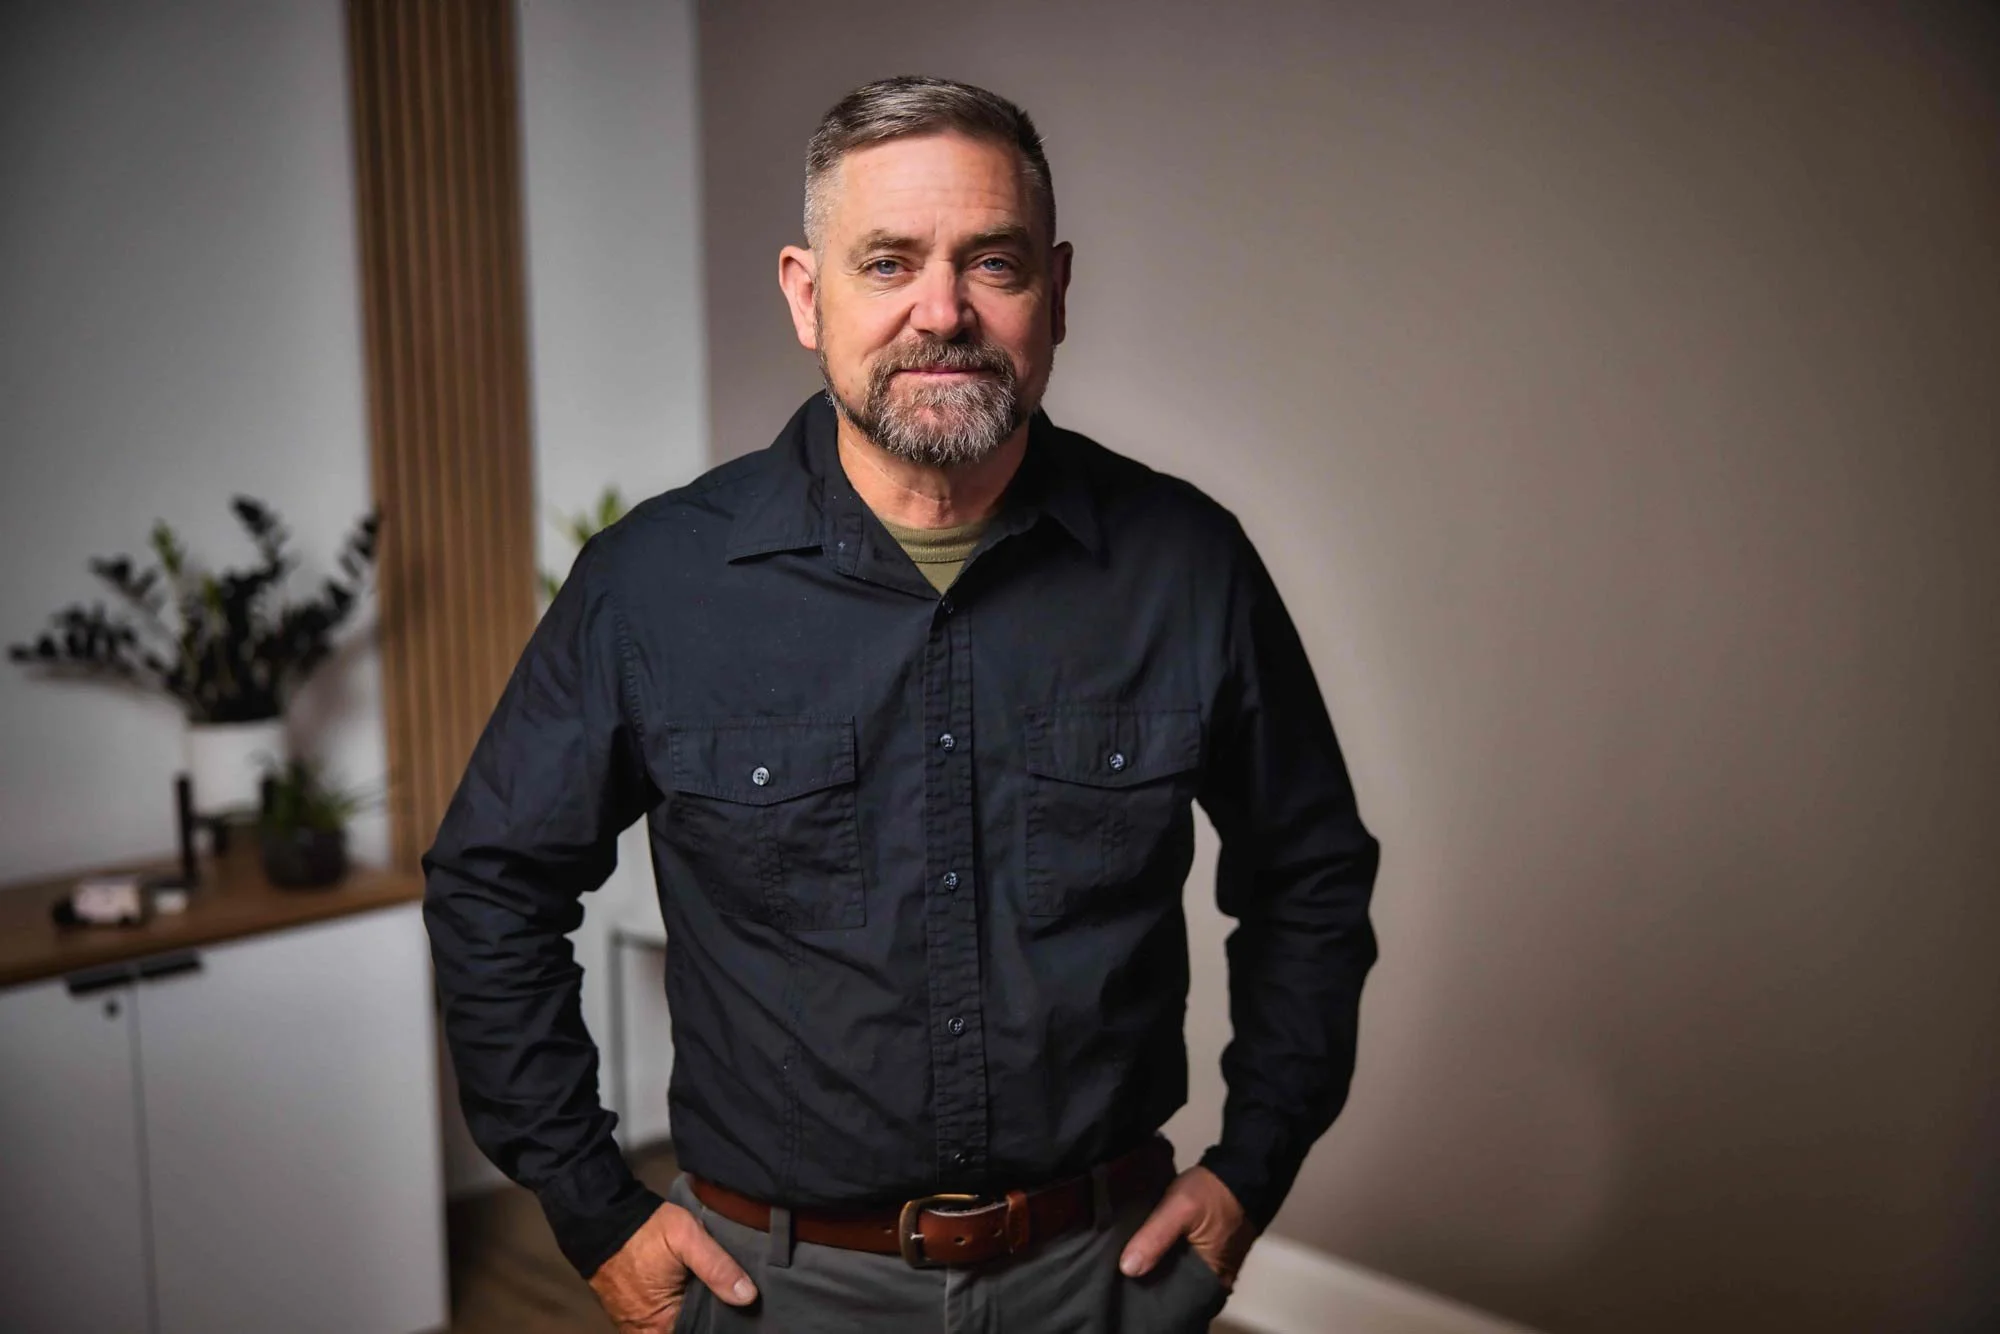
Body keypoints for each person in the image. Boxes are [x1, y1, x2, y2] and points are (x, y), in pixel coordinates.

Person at [422, 75, 1380, 1333]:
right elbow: (492, 886)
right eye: (888, 262)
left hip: (1106, 1280)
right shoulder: (649, 585)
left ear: (1055, 290)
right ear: (805, 294)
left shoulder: (1187, 564)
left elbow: (1309, 872)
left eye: (993, 261)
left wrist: (1251, 1166)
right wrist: (591, 1205)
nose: (944, 310)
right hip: (774, 1289)